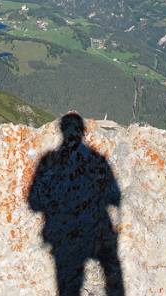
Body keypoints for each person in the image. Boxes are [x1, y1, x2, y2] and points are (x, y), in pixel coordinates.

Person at [28, 113, 124, 296]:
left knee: (68, 287)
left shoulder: (48, 162)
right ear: (83, 132)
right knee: (111, 270)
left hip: (64, 233)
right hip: (94, 229)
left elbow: (34, 201)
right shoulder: (97, 160)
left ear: (61, 131)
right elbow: (115, 196)